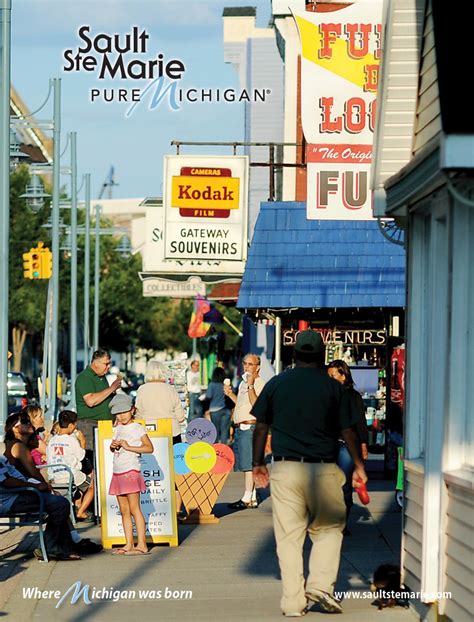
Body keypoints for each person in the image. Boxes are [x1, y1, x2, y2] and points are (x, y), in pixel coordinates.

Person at [251, 330, 368, 617]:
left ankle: (292, 603)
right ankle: (319, 585)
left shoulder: (277, 384)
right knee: (328, 529)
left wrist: (257, 463)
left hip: (285, 469)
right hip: (323, 468)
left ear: (295, 354)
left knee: (289, 538)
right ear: (320, 355)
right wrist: (359, 465)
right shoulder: (333, 389)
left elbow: (261, 426)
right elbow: (347, 430)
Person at [0, 455, 81, 561]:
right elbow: (7, 482)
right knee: (59, 504)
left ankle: (65, 546)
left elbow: (16, 478)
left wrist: (39, 486)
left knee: (58, 501)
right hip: (10, 499)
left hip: (18, 494)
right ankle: (50, 548)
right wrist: (35, 486)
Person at [109, 393, 153, 555]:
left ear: (132, 410)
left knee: (135, 509)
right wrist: (114, 446)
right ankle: (128, 543)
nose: (121, 416)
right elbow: (113, 449)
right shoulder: (118, 427)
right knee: (124, 510)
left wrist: (129, 447)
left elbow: (149, 448)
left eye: (124, 412)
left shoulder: (137, 428)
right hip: (118, 471)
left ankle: (142, 544)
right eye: (118, 413)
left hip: (130, 471)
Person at [327, 359, 369, 532]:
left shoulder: (353, 396)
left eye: (333, 375)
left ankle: (341, 523)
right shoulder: (326, 396)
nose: (330, 379)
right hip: (328, 443)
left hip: (347, 446)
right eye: (328, 376)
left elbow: (360, 421)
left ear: (343, 376)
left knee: (343, 484)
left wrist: (364, 444)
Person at [224, 353, 265, 509]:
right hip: (241, 426)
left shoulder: (259, 383)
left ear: (257, 367)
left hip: (251, 425)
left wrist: (251, 385)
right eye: (245, 363)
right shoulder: (242, 383)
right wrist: (230, 395)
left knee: (248, 464)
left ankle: (247, 497)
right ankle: (252, 496)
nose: (246, 366)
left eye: (250, 364)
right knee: (244, 462)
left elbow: (257, 405)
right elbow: (242, 403)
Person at [46, 410, 95, 522]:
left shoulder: (52, 440)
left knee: (79, 483)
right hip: (70, 475)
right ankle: (81, 511)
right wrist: (82, 441)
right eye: (75, 425)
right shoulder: (71, 440)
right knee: (92, 486)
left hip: (54, 476)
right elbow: (81, 456)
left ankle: (77, 507)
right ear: (71, 425)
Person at [75, 349, 122, 450]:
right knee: (92, 457)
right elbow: (90, 401)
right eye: (106, 364)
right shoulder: (85, 377)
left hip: (104, 424)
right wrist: (112, 388)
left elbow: (102, 397)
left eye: (109, 363)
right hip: (90, 424)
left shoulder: (101, 376)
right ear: (96, 363)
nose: (109, 366)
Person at [135, 361, 186, 443]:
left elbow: (138, 413)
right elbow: (180, 417)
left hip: (149, 431)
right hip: (172, 431)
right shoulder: (170, 389)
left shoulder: (142, 389)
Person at [205, 367, 232, 444]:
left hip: (215, 410)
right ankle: (224, 450)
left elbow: (209, 396)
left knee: (215, 431)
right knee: (224, 431)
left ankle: (216, 450)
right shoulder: (226, 385)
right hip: (226, 409)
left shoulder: (212, 385)